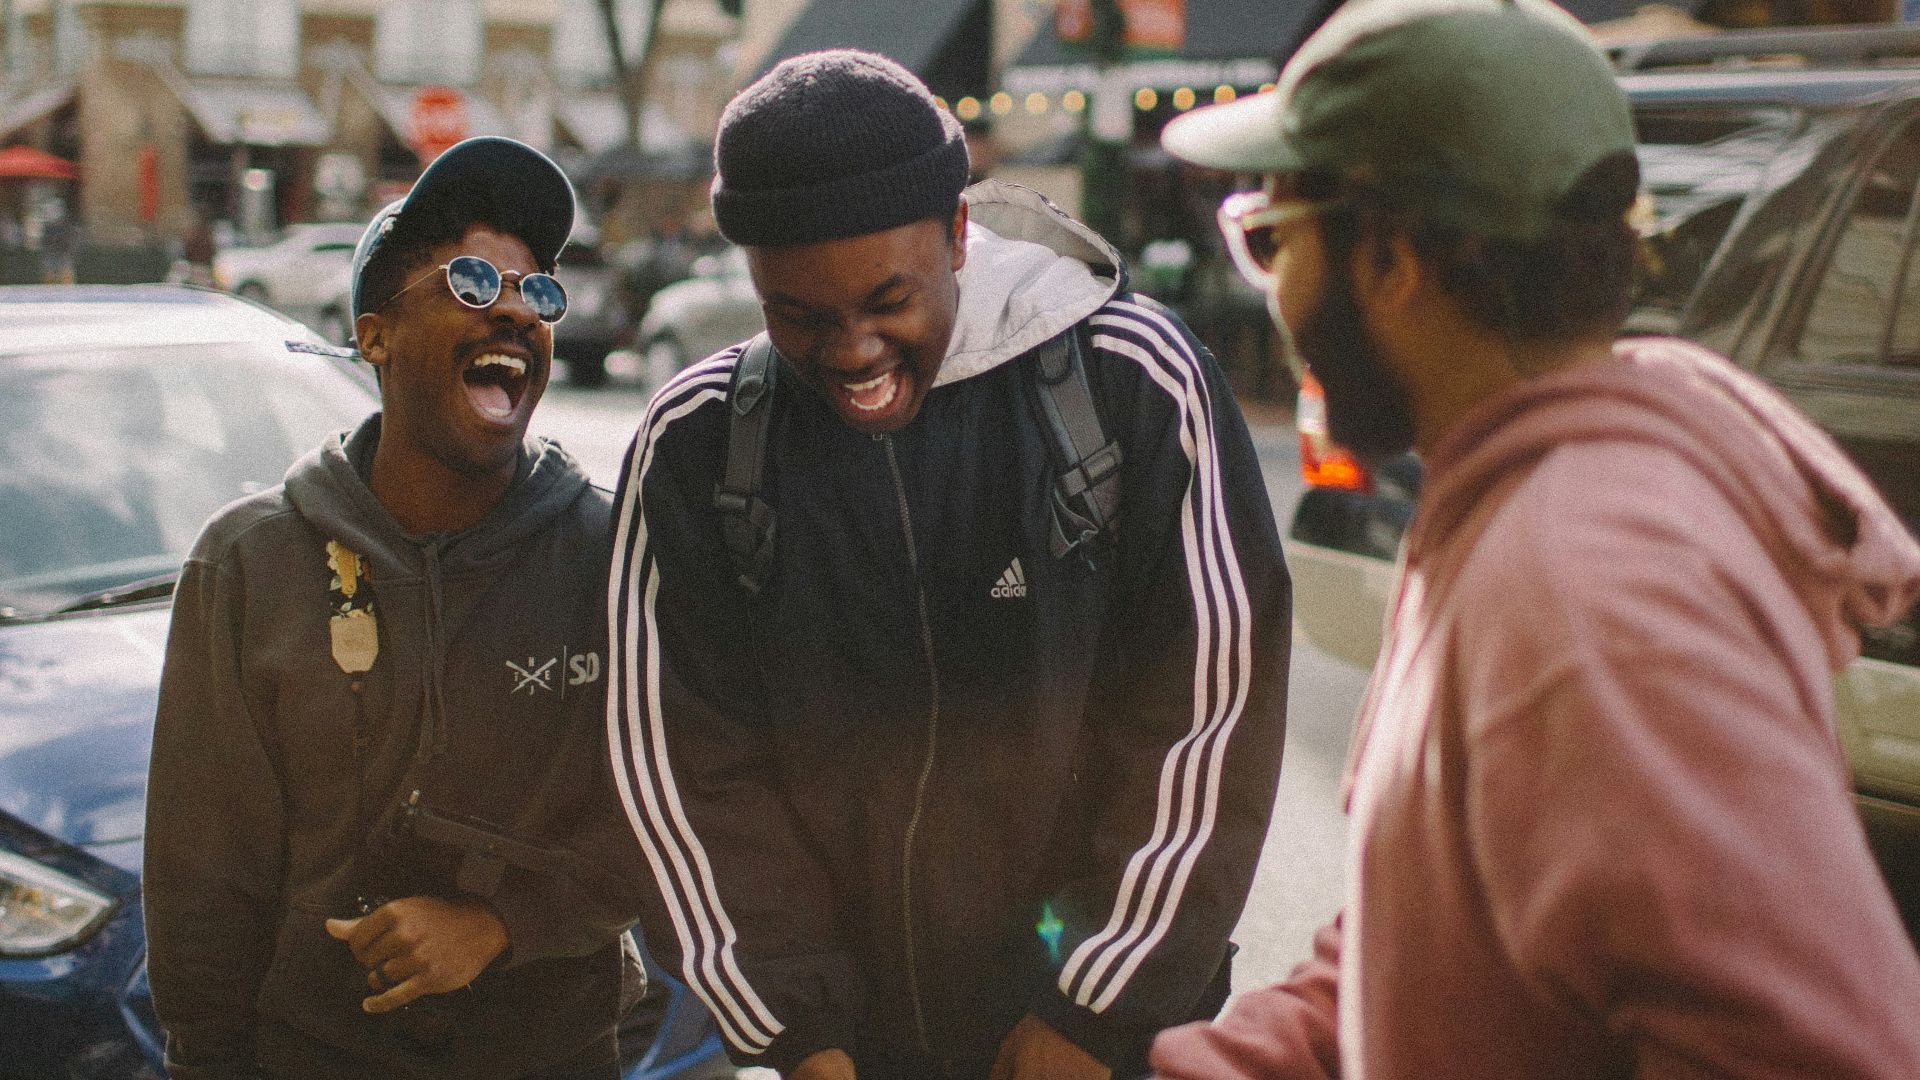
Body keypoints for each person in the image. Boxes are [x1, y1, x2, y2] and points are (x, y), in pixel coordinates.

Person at [1152, 1, 1920, 1077]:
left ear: (1392, 256)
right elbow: (1429, 939)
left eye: (1273, 239)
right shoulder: (1526, 511)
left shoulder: (1582, 593)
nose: (1273, 292)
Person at [607, 49, 1291, 1080]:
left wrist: (1093, 1005)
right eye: (801, 315)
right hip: (846, 1048)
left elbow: (1210, 711)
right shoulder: (697, 443)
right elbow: (680, 766)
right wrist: (797, 1026)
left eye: (888, 300)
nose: (854, 350)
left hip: (1095, 1040)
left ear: (960, 234)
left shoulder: (1133, 382)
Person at [145, 136, 648, 1080]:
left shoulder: (613, 550)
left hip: (553, 1055)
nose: (515, 310)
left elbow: (677, 815)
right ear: (374, 337)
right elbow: (203, 882)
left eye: (538, 292)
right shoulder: (249, 564)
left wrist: (502, 924)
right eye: (470, 283)